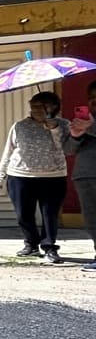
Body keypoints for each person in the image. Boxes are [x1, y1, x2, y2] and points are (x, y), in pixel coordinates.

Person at [0, 91, 70, 264]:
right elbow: (9, 150)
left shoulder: (64, 125)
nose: (36, 110)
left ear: (53, 107)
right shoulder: (19, 126)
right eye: (33, 106)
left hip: (53, 176)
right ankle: (31, 244)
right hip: (20, 175)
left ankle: (49, 247)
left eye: (42, 106)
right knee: (23, 215)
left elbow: (66, 148)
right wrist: (0, 174)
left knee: (50, 215)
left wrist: (53, 128)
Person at [62, 79, 96, 272]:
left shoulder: (89, 123)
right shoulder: (82, 120)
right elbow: (68, 150)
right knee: (92, 219)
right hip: (85, 175)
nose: (94, 101)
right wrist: (76, 135)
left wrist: (90, 128)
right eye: (91, 98)